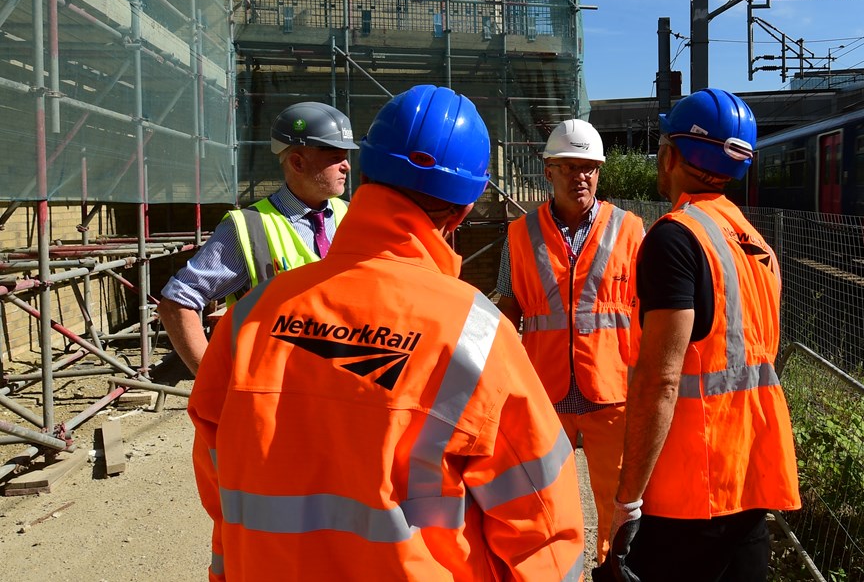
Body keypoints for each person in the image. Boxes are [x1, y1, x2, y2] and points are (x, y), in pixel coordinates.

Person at [188, 85, 585, 581]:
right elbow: (541, 526)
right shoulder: (475, 334)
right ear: (463, 210)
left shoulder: (249, 317)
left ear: (366, 174)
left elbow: (218, 484)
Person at [598, 88, 801, 582]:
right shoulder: (754, 243)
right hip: (750, 476)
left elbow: (661, 382)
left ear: (670, 155)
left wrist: (627, 500)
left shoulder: (675, 238)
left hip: (691, 489)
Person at [496, 119, 643, 565]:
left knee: (620, 506)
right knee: (545, 504)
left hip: (612, 395)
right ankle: (557, 573)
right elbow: (508, 311)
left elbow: (650, 312)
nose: (581, 176)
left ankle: (614, 573)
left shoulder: (631, 230)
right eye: (569, 166)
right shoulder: (519, 235)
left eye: (589, 167)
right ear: (548, 171)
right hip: (544, 395)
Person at [157, 101, 357, 375]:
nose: (346, 165)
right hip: (275, 399)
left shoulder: (351, 214)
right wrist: (212, 386)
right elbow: (176, 303)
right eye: (335, 157)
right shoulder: (247, 228)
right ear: (297, 162)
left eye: (346, 156)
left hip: (341, 390)